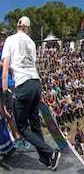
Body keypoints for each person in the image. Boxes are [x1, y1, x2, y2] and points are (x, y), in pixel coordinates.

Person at [1, 16, 61, 169]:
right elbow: (32, 65)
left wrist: (5, 95)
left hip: (22, 85)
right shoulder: (32, 43)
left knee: (21, 127)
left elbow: (5, 69)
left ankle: (50, 152)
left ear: (18, 26)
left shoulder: (10, 40)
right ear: (27, 28)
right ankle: (46, 159)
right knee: (34, 123)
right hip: (35, 82)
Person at [0, 28, 31, 150]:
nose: (1, 41)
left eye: (3, 39)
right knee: (5, 113)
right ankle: (17, 137)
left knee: (16, 112)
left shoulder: (9, 51)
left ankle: (26, 137)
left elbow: (13, 65)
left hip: (10, 84)